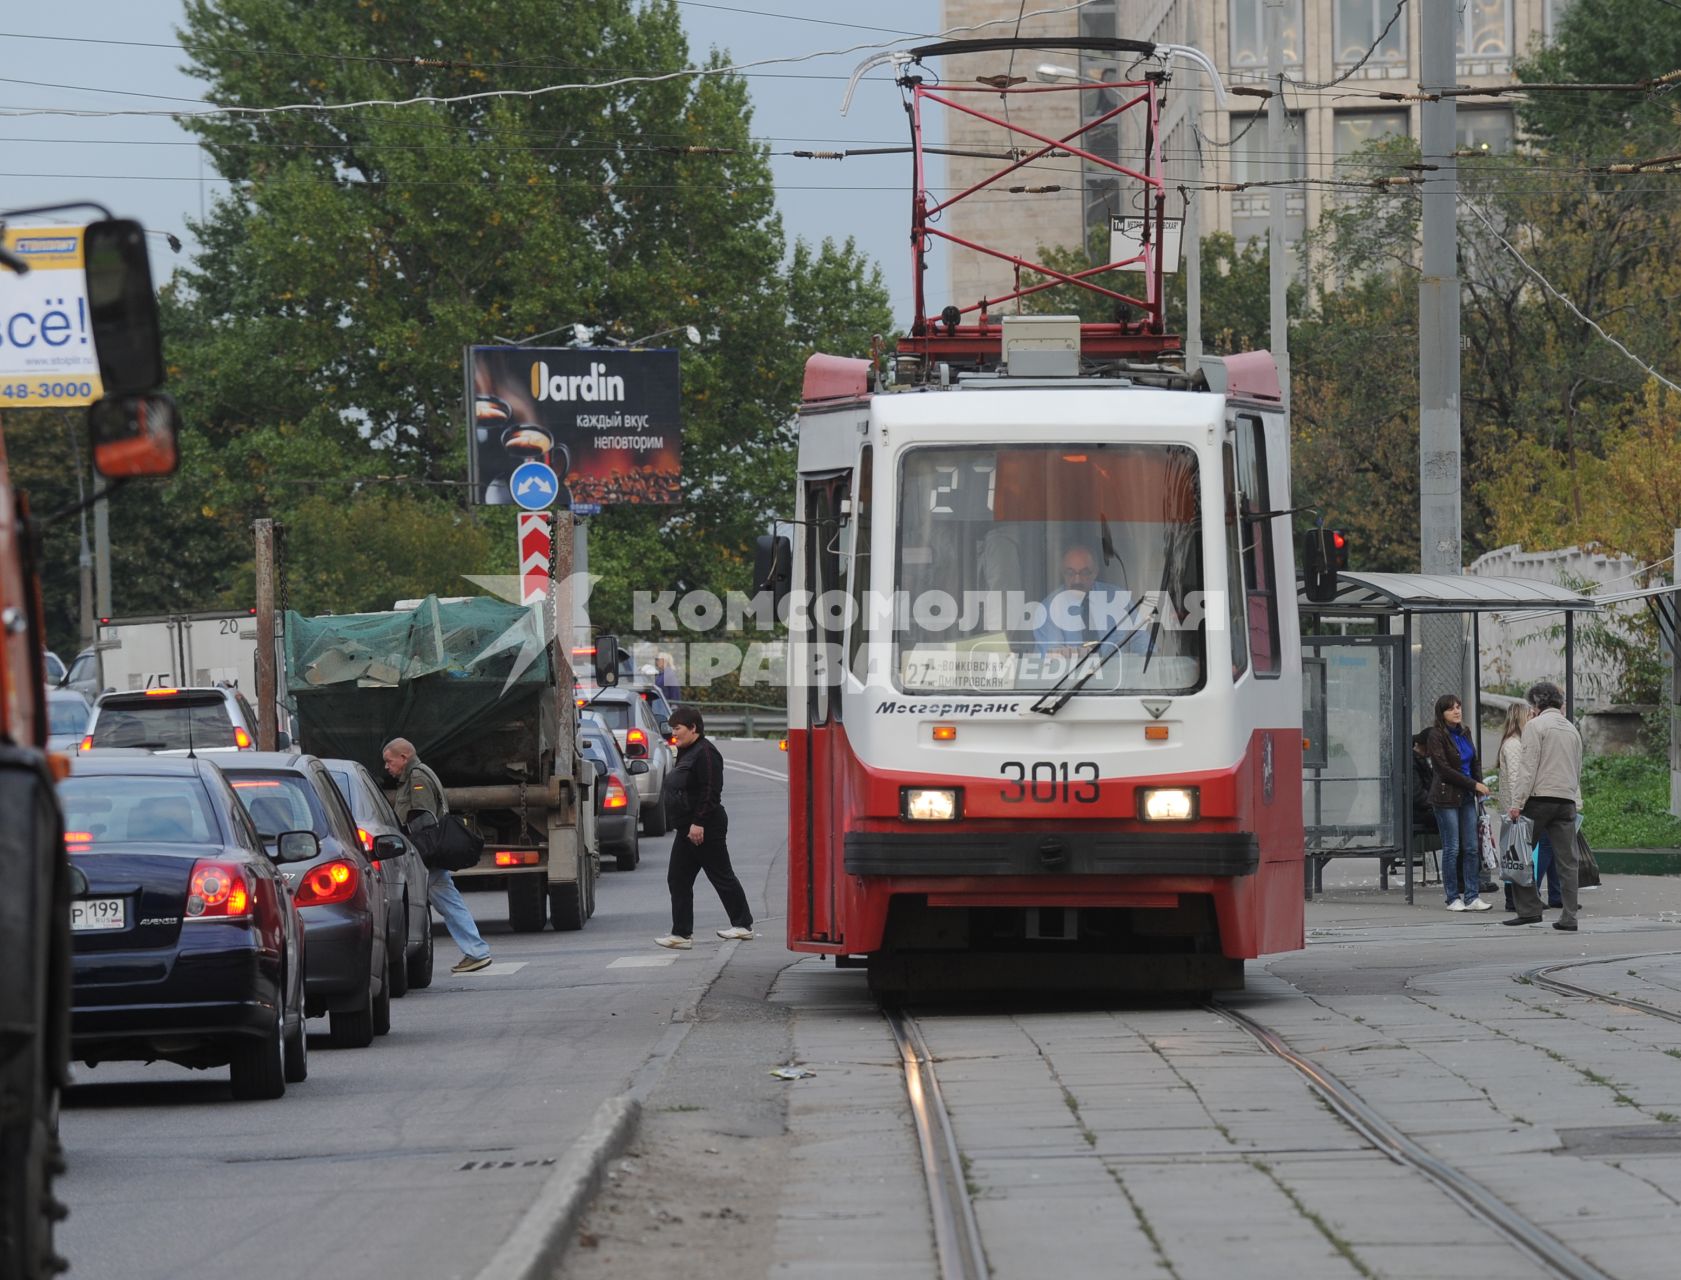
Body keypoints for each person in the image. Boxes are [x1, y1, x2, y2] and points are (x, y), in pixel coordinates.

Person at [383, 737, 492, 973]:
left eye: (389, 762)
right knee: (448, 902)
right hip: (428, 855)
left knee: (446, 903)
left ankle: (476, 951)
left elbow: (423, 819)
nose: (386, 767)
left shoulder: (417, 777)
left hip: (424, 855)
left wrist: (412, 848)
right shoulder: (418, 773)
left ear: (404, 758)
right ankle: (476, 950)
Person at [654, 705, 754, 949]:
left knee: (720, 874)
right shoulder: (686, 751)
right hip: (687, 828)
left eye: (677, 728)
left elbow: (711, 791)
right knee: (677, 879)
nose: (673, 733)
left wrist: (699, 823)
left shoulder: (706, 753)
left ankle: (742, 925)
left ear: (693, 728)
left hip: (704, 827)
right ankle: (681, 934)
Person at [1504, 680, 1585, 931]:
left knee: (1519, 854)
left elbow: (1528, 768)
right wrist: (1575, 800)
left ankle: (1529, 910)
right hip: (1566, 802)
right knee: (1568, 861)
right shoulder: (1572, 730)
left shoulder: (1535, 726)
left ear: (1537, 703)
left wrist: (1517, 803)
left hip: (1539, 800)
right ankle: (1569, 916)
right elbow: (1577, 769)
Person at [1422, 693, 1492, 912]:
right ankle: (1452, 896)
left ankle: (1472, 896)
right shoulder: (1436, 735)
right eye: (1451, 708)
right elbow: (1443, 769)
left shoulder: (1465, 732)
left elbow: (1474, 760)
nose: (1457, 711)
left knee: (1471, 847)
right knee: (1452, 847)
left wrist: (1478, 784)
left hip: (1467, 797)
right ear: (1441, 713)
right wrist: (1474, 785)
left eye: (1458, 707)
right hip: (1445, 797)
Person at [1494, 701, 1563, 912]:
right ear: (1521, 718)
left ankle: (1519, 896)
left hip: (1517, 806)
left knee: (1516, 853)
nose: (1534, 719)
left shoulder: (1514, 742)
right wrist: (1520, 804)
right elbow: (1517, 777)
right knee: (1521, 854)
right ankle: (1518, 897)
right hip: (1520, 808)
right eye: (1530, 715)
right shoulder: (1514, 745)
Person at [1033, 543, 1146, 660]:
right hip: (1071, 678)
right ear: (1063, 573)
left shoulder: (1117, 599)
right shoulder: (1048, 609)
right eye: (1070, 573)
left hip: (1119, 675)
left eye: (1084, 573)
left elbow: (1143, 646)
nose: (1077, 580)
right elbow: (1053, 661)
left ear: (1095, 572)